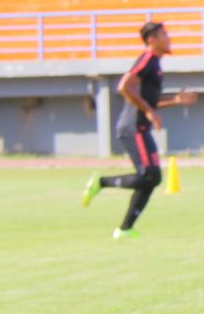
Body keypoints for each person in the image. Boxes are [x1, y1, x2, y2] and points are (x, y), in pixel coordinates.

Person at [82, 21, 197, 237]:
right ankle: (101, 182)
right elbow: (124, 86)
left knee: (151, 177)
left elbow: (149, 100)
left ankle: (125, 229)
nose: (168, 38)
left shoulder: (156, 64)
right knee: (149, 176)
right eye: (164, 35)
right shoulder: (147, 60)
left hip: (139, 127)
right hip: (133, 127)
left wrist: (175, 100)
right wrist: (149, 112)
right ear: (152, 40)